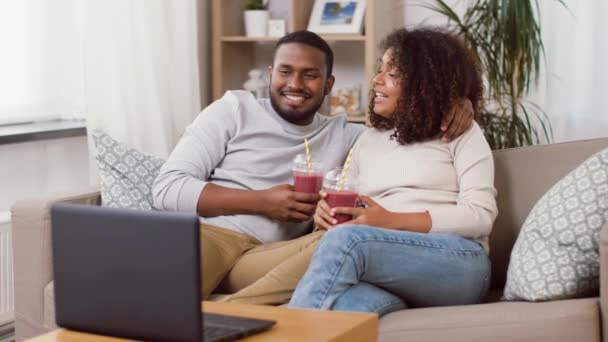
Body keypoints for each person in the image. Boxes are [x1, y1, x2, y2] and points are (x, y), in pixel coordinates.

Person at [152, 30, 474, 305]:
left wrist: (459, 102)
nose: (295, 84)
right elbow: (166, 189)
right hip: (210, 235)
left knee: (343, 238)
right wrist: (264, 202)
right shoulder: (233, 110)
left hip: (273, 255)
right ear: (270, 74)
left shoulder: (349, 135)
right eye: (285, 71)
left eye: (310, 74)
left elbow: (410, 128)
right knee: (159, 305)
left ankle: (230, 319)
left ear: (329, 83)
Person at [288, 28, 498, 316]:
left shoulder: (459, 130)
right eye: (380, 69)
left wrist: (391, 221)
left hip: (458, 261)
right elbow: (345, 202)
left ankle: (285, 330)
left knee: (345, 240)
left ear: (423, 84)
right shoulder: (367, 139)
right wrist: (323, 212)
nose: (376, 79)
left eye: (393, 73)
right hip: (388, 264)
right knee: (346, 308)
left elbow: (480, 216)